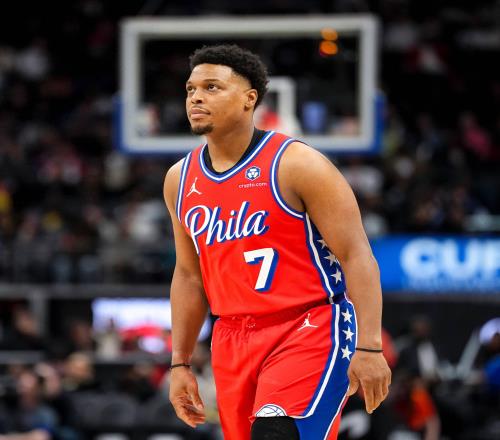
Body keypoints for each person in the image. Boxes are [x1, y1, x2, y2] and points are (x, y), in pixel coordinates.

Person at [163, 44, 391, 440]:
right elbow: (188, 275)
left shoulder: (298, 164)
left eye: (212, 87)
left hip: (309, 326)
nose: (196, 97)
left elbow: (356, 255)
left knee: (276, 432)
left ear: (249, 99)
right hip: (231, 336)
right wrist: (179, 363)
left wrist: (370, 347)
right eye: (191, 89)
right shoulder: (179, 179)